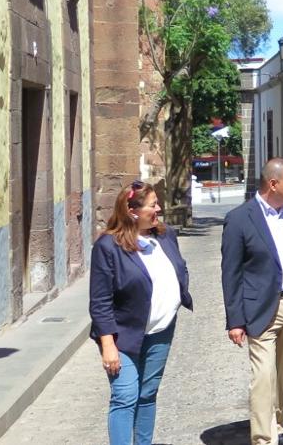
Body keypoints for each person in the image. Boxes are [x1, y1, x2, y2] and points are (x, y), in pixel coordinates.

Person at [221, 158, 283, 445]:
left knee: (282, 373)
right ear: (273, 184)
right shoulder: (240, 218)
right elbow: (231, 273)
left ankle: (277, 426)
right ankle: (264, 439)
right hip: (259, 307)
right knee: (263, 376)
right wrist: (235, 320)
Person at [89, 180, 193, 445]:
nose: (158, 209)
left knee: (148, 393)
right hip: (123, 335)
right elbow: (100, 301)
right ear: (132, 211)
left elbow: (179, 267)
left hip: (160, 331)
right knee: (125, 396)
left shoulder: (165, 235)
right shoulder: (108, 247)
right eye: (152, 205)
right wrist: (108, 345)